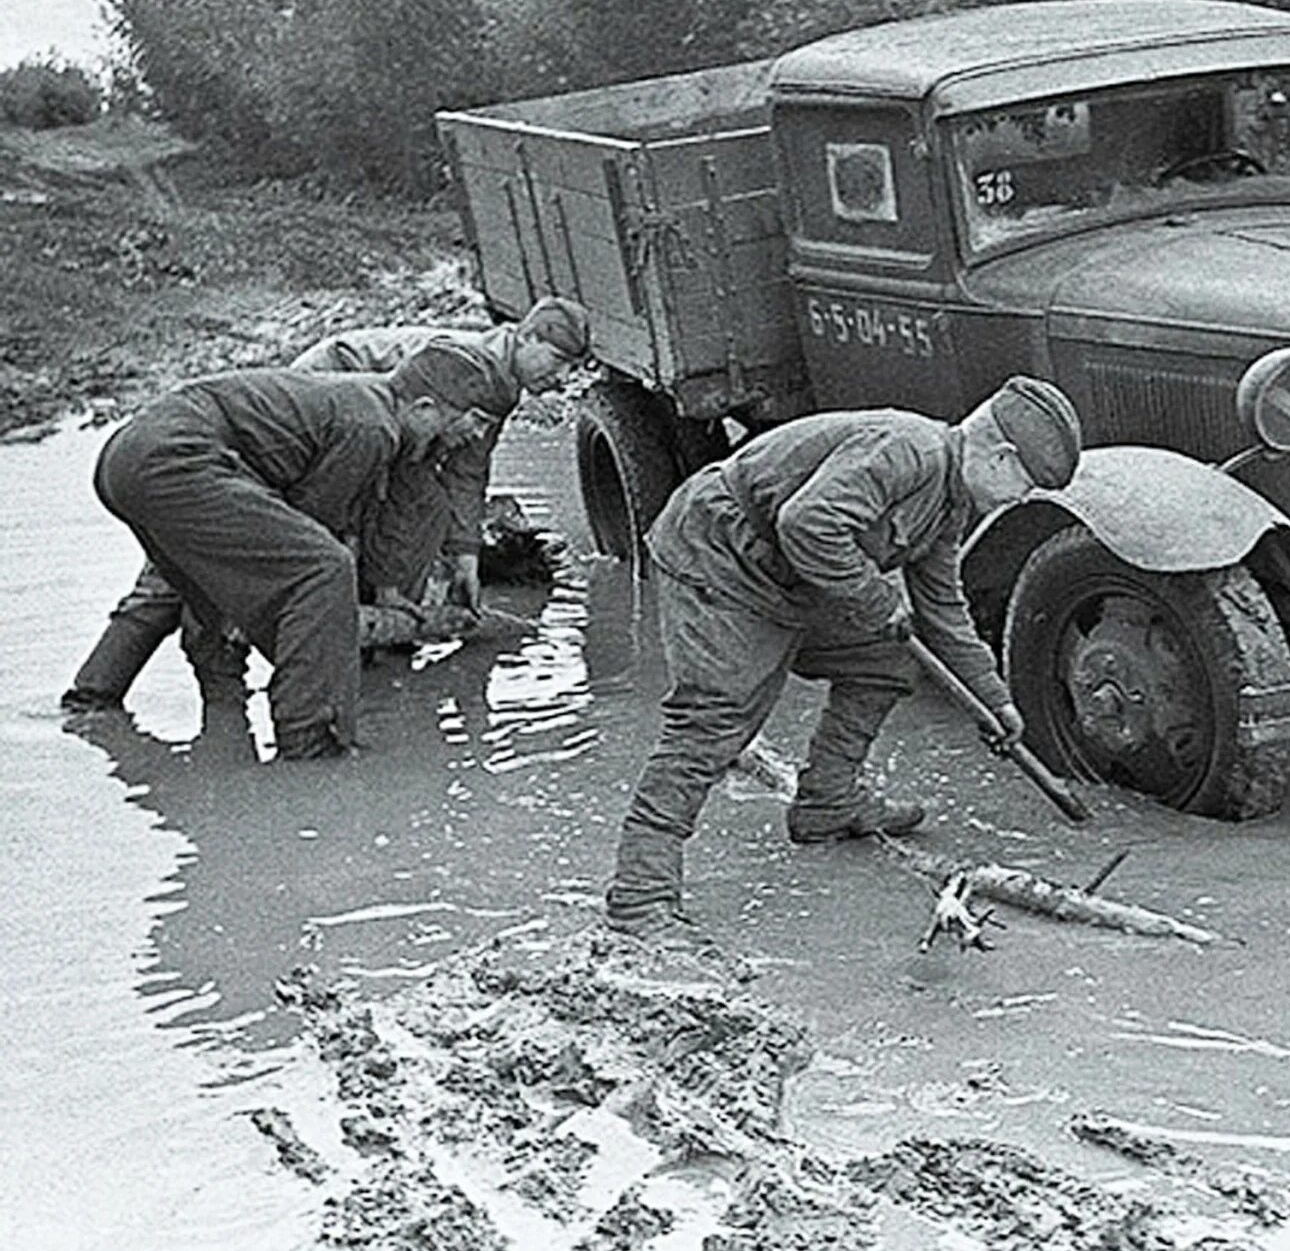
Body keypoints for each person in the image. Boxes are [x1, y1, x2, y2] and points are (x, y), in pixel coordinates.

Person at [606, 376, 1085, 939]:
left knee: (886, 659)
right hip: (722, 556)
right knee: (712, 722)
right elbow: (807, 523)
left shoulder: (951, 502)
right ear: (1001, 457)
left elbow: (942, 612)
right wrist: (876, 598)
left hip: (791, 576)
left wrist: (996, 703)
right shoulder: (908, 451)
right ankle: (640, 898)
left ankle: (827, 800)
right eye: (1023, 486)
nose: (1018, 501)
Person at [62, 298, 590, 712]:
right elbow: (365, 491)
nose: (562, 378)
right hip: (327, 397)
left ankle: (310, 675)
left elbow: (463, 476)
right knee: (217, 559)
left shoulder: (495, 387)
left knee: (373, 528)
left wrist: (466, 555)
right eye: (559, 361)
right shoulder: (462, 373)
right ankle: (104, 694)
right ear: (526, 337)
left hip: (346, 421)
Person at [90, 346, 494, 759]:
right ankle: (310, 744)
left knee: (209, 589)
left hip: (125, 459)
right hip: (174, 459)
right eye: (470, 419)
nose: (476, 434)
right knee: (324, 569)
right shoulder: (374, 427)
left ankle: (100, 703)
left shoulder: (368, 402)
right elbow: (316, 522)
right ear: (425, 407)